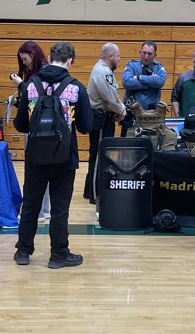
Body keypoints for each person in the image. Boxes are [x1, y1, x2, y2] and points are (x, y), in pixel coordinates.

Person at [13, 41, 92, 268]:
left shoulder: (30, 86)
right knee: (59, 207)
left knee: (31, 203)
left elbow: (21, 125)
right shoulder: (76, 88)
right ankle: (58, 255)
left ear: (49, 56)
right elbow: (86, 126)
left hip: (36, 155)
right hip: (65, 156)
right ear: (70, 61)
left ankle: (23, 251)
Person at [10, 41, 51, 221]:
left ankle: (39, 212)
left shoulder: (42, 72)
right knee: (43, 170)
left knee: (36, 171)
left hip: (37, 127)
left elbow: (37, 97)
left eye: (25, 59)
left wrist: (20, 85)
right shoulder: (38, 71)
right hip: (39, 125)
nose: (24, 63)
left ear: (33, 54)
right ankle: (44, 210)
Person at [84, 43, 126, 204]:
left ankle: (90, 191)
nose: (119, 59)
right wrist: (121, 110)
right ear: (111, 56)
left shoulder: (101, 70)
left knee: (96, 154)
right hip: (101, 119)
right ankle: (96, 195)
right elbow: (110, 96)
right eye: (118, 56)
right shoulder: (102, 71)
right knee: (100, 156)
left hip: (100, 117)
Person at [121, 41, 167, 135]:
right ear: (140, 52)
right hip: (132, 113)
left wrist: (139, 77)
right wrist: (151, 82)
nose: (146, 56)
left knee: (151, 144)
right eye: (144, 53)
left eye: (149, 54)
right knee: (127, 145)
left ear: (155, 55)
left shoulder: (159, 67)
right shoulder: (132, 65)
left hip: (152, 115)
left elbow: (160, 82)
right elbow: (126, 82)